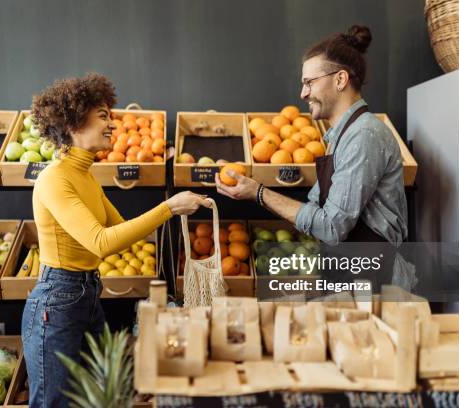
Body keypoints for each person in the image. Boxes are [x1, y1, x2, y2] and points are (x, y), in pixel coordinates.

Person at [21, 73, 211, 407]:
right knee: (53, 402)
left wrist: (177, 219)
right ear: (75, 121)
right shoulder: (54, 179)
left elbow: (121, 232)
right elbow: (101, 242)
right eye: (103, 116)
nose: (113, 124)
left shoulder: (85, 176)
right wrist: (168, 207)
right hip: (58, 299)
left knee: (95, 398)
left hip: (87, 292)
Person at [216, 25, 407, 284]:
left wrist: (258, 193)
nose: (303, 93)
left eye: (309, 82)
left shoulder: (363, 136)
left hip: (372, 279)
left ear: (340, 80)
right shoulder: (340, 136)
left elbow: (331, 227)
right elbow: (315, 212)